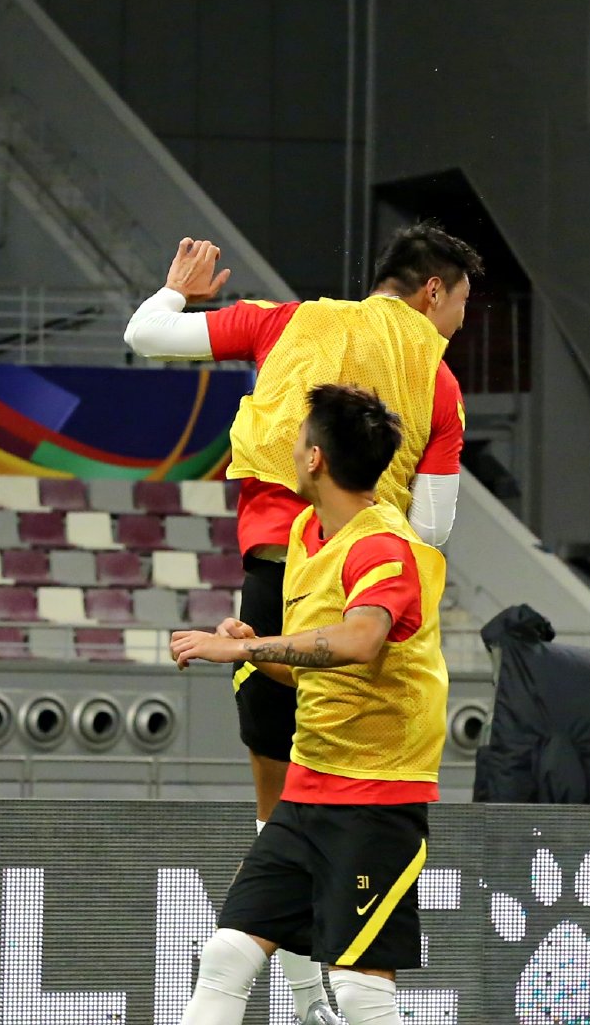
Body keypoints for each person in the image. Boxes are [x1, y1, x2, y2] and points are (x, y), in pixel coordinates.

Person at [123, 224, 478, 1009]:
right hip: (367, 574)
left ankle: (307, 995)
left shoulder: (286, 321)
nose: (459, 321)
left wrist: (180, 288)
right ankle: (313, 996)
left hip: (278, 574)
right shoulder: (438, 380)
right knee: (321, 790)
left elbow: (146, 333)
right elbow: (432, 528)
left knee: (277, 798)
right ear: (433, 292)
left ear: (311, 452)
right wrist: (374, 542)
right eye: (461, 303)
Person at [168, 384, 449, 1025]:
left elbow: (360, 639)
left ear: (315, 457)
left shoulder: (382, 545)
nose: (290, 450)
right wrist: (254, 648)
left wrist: (244, 648)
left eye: (297, 440)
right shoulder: (305, 532)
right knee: (226, 957)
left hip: (374, 799)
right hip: (307, 788)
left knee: (359, 993)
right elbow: (311, 669)